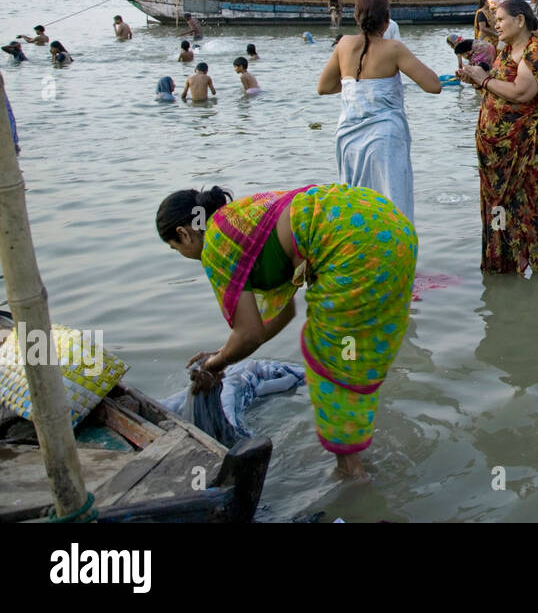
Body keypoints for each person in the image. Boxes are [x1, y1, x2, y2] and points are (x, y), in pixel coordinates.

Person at [156, 183, 416, 479]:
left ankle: (351, 473)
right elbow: (283, 314)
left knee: (330, 360)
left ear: (183, 234)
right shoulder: (239, 218)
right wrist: (222, 354)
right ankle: (357, 451)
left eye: (175, 248)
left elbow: (249, 334)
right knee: (355, 352)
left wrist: (213, 366)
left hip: (353, 245)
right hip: (390, 225)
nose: (181, 253)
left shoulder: (216, 244)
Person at [457, 0, 538, 273]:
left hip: (528, 153)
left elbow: (521, 92)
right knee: (499, 210)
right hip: (497, 159)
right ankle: (502, 267)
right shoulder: (505, 52)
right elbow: (498, 92)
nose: (496, 24)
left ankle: (534, 272)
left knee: (531, 208)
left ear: (520, 21)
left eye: (501, 19)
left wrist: (483, 80)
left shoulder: (535, 52)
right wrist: (477, 81)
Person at [317, 0, 441, 222]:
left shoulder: (343, 45)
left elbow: (324, 87)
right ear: (387, 20)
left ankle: (359, 253)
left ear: (356, 17)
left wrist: (356, 87)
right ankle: (395, 253)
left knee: (355, 204)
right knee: (392, 204)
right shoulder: (393, 48)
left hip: (348, 138)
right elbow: (433, 85)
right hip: (384, 139)